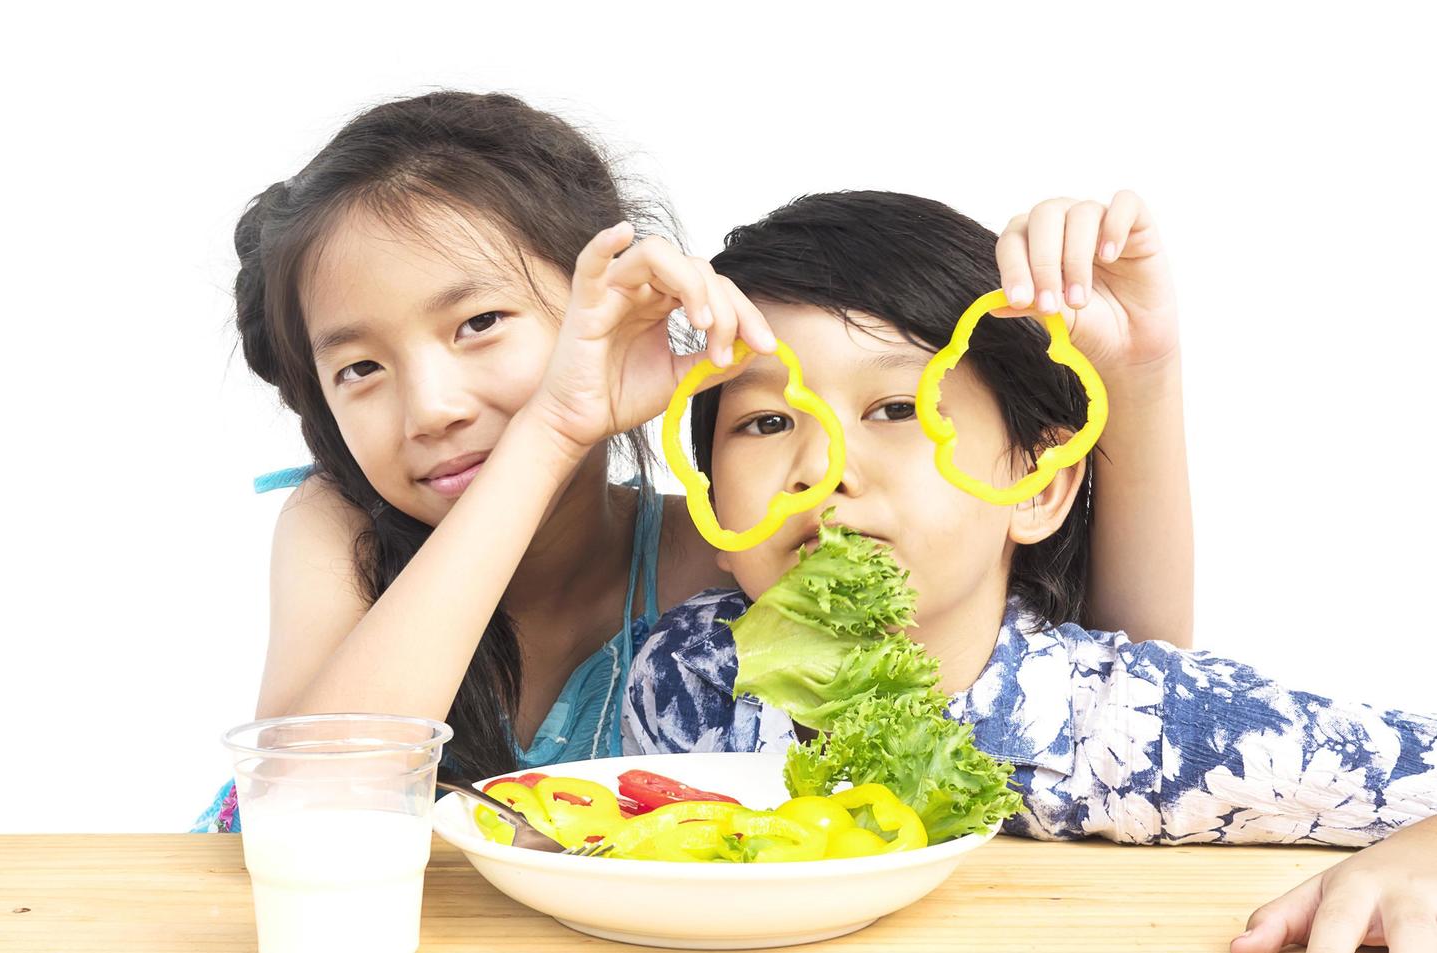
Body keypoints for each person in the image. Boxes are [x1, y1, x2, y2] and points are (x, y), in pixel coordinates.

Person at [194, 90, 1193, 835]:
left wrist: (1139, 376)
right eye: (359, 366)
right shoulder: (339, 528)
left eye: (480, 322)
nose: (433, 405)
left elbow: (1106, 696)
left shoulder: (724, 551)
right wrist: (547, 432)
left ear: (613, 299)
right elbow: (312, 806)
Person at [622, 190, 1437, 953]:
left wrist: (1418, 857)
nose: (822, 468)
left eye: (898, 408)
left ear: (1039, 487)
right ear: (712, 513)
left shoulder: (1130, 726)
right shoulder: (688, 668)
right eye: (766, 423)